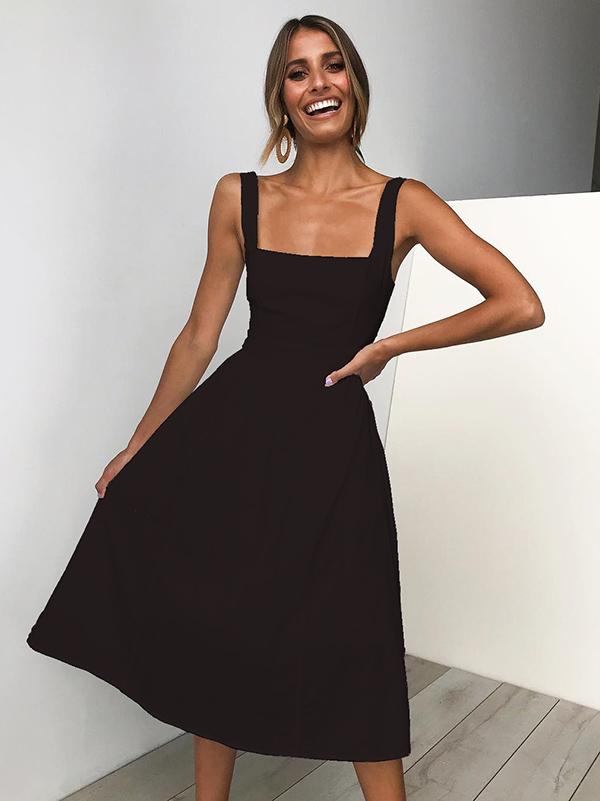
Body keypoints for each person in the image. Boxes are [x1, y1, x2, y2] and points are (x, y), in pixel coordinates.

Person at [27, 14, 545, 801]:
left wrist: (390, 346)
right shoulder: (239, 197)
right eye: (298, 72)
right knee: (222, 629)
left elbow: (519, 302)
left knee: (357, 638)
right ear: (282, 96)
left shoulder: (403, 203)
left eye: (332, 65)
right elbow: (200, 335)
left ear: (354, 82)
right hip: (234, 439)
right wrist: (139, 443)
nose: (318, 83)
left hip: (335, 449)